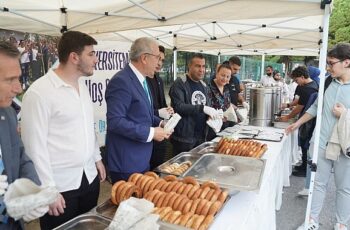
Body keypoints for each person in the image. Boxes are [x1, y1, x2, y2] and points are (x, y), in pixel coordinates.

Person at [21, 31, 106, 230]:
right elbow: (34, 148)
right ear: (74, 57)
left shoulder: (82, 87)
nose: (96, 59)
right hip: (60, 188)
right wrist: (48, 190)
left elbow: (87, 127)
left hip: (89, 178)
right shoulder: (39, 92)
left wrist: (97, 157)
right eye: (91, 54)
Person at [286, 43, 350, 230]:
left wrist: (345, 114)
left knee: (344, 189)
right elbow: (316, 107)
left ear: (346, 62)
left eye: (331, 63)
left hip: (345, 147)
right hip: (322, 143)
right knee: (317, 184)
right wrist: (297, 123)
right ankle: (312, 220)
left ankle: (341, 224)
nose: (328, 67)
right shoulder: (328, 82)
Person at [105, 37, 171, 183]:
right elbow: (115, 121)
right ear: (144, 58)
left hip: (141, 158)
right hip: (127, 163)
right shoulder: (122, 81)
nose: (159, 63)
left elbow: (142, 114)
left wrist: (160, 123)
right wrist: (151, 132)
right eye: (157, 58)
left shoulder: (142, 80)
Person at [0, 41, 48, 229]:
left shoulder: (9, 113)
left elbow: (20, 157)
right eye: (10, 79)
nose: (18, 88)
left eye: (18, 78)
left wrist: (32, 191)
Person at [169, 53, 221, 155]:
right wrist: (202, 108)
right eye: (198, 66)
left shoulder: (204, 85)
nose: (201, 70)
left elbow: (208, 106)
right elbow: (179, 106)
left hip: (201, 137)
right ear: (190, 66)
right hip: (184, 139)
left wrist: (214, 116)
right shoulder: (180, 83)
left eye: (203, 66)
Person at [280, 66, 318, 177]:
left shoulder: (307, 88)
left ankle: (305, 170)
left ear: (302, 77)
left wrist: (287, 117)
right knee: (304, 142)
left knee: (305, 142)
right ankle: (303, 165)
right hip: (308, 118)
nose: (296, 83)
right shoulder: (312, 84)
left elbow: (299, 107)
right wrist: (288, 105)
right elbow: (299, 101)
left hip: (308, 120)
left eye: (297, 80)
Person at [147, 45, 174, 169]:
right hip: (147, 133)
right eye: (158, 59)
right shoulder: (143, 79)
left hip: (161, 131)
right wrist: (158, 112)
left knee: (158, 166)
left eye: (162, 60)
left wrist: (167, 110)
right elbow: (141, 111)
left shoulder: (159, 79)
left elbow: (161, 103)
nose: (159, 63)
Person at [207, 63, 232, 140]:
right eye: (223, 75)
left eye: (228, 77)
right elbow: (206, 107)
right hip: (211, 127)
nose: (225, 78)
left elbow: (227, 105)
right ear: (217, 73)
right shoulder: (208, 87)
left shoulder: (226, 89)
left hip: (224, 126)